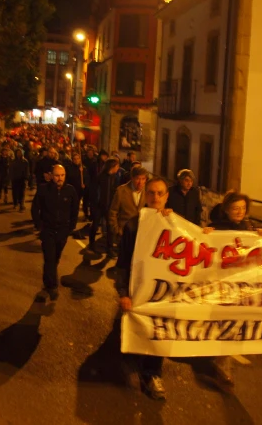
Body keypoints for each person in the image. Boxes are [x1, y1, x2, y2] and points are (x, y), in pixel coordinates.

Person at [203, 192, 262, 390]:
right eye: (235, 208)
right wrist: (204, 233)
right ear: (227, 210)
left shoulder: (248, 228)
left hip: (240, 286)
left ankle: (223, 365)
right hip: (221, 284)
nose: (240, 212)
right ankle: (216, 359)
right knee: (220, 321)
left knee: (232, 323)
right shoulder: (219, 228)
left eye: (243, 208)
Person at [116, 177, 173, 400]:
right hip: (138, 289)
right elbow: (122, 262)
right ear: (145, 196)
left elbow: (196, 244)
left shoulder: (174, 224)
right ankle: (133, 364)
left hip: (162, 292)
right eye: (151, 193)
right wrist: (123, 292)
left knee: (158, 333)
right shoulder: (132, 225)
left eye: (160, 193)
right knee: (137, 332)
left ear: (167, 196)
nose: (156, 198)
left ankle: (152, 375)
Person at [31, 165, 80, 301]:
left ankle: (50, 277)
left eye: (62, 175)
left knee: (55, 257)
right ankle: (51, 286)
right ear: (52, 176)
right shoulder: (43, 190)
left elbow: (74, 210)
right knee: (49, 258)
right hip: (48, 230)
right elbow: (35, 208)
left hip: (62, 231)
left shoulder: (70, 191)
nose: (60, 178)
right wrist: (39, 225)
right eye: (57, 175)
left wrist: (71, 226)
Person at [107, 166, 148, 258]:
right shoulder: (121, 191)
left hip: (142, 233)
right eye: (137, 179)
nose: (140, 182)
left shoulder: (148, 191)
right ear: (132, 178)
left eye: (143, 179)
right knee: (125, 259)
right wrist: (116, 230)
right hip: (124, 233)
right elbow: (113, 212)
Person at [87, 157, 119, 254]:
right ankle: (91, 244)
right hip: (99, 207)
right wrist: (93, 206)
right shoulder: (100, 177)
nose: (118, 168)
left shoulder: (114, 177)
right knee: (95, 226)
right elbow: (94, 193)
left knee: (110, 227)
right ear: (112, 166)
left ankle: (109, 248)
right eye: (117, 166)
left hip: (109, 207)